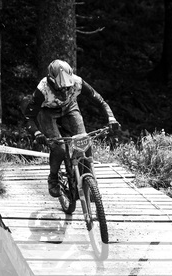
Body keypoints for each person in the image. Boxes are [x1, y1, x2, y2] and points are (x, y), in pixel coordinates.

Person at [24, 59, 120, 197]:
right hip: (47, 112)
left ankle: (88, 181)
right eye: (60, 88)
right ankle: (53, 178)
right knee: (59, 148)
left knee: (84, 141)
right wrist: (37, 133)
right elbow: (29, 117)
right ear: (51, 81)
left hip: (69, 108)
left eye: (67, 88)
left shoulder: (78, 82)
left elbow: (100, 101)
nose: (64, 91)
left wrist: (111, 118)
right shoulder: (42, 89)